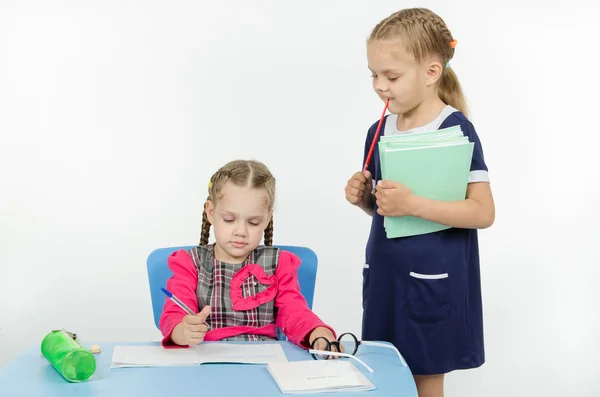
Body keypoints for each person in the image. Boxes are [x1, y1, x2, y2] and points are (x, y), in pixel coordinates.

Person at [344, 8, 495, 397]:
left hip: (431, 282)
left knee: (425, 380)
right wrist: (365, 200)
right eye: (373, 74)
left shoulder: (455, 129)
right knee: (384, 373)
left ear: (431, 72)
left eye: (391, 76)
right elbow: (384, 212)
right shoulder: (377, 131)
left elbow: (482, 212)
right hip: (385, 279)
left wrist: (412, 203)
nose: (380, 85)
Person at [160, 159, 338, 353]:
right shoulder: (189, 263)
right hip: (205, 360)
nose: (241, 231)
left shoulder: (279, 263)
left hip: (264, 358)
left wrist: (317, 331)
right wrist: (182, 331)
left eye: (253, 222)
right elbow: (173, 315)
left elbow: (294, 311)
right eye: (229, 219)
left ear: (267, 219)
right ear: (211, 212)